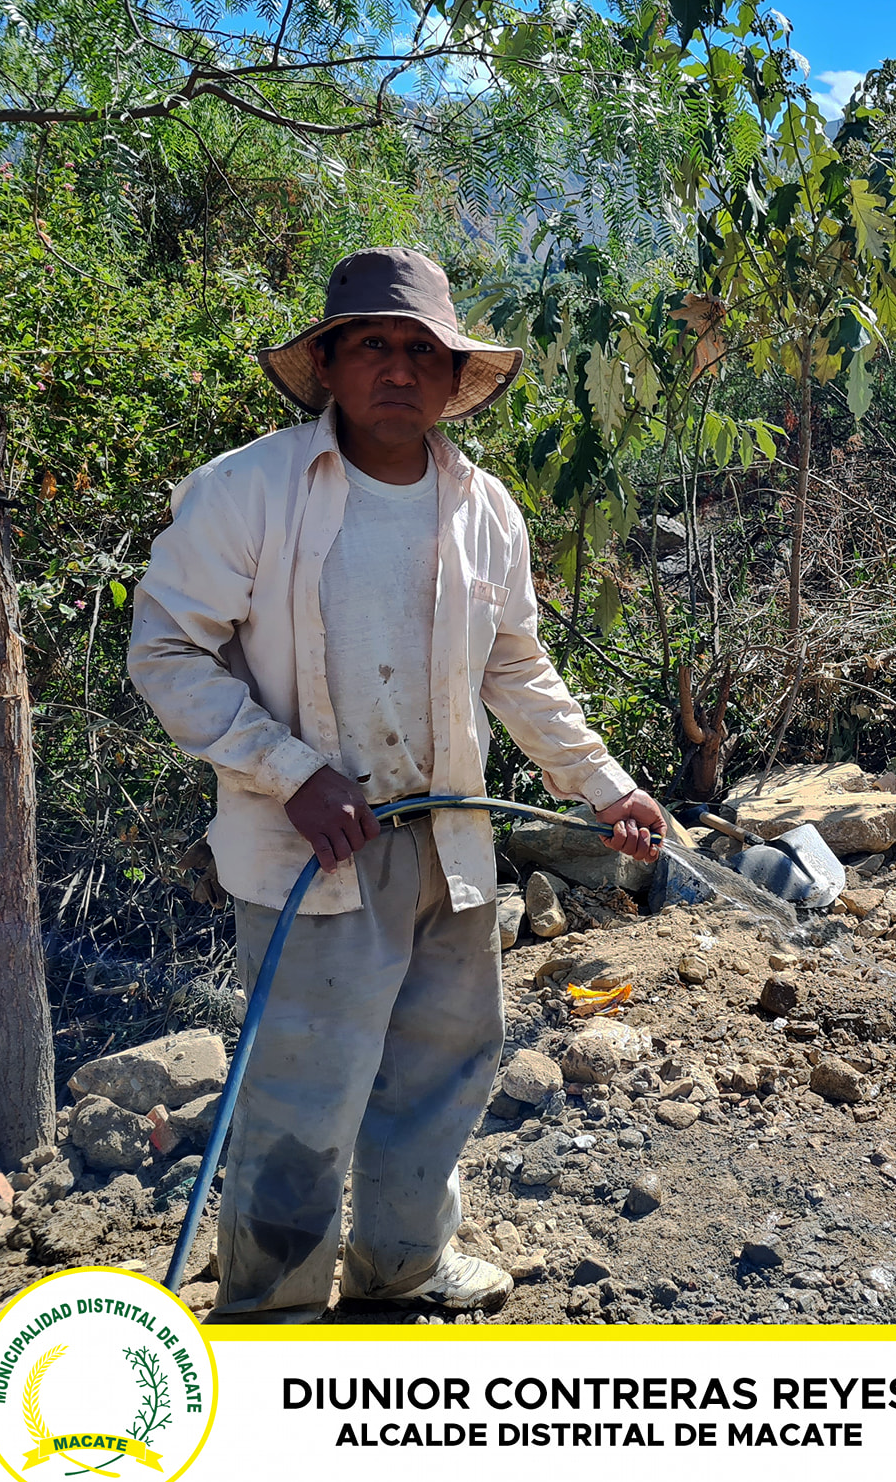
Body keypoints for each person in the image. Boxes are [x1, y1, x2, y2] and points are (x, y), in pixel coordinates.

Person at [128, 248, 667, 1323]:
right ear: (326, 363)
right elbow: (166, 653)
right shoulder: (250, 491)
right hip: (311, 853)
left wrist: (601, 785)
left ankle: (402, 1267)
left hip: (449, 841)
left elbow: (513, 665)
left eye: (422, 348)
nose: (397, 366)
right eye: (371, 342)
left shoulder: (482, 507)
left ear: (450, 374)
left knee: (441, 1069)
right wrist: (290, 773)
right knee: (302, 1093)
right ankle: (274, 1310)